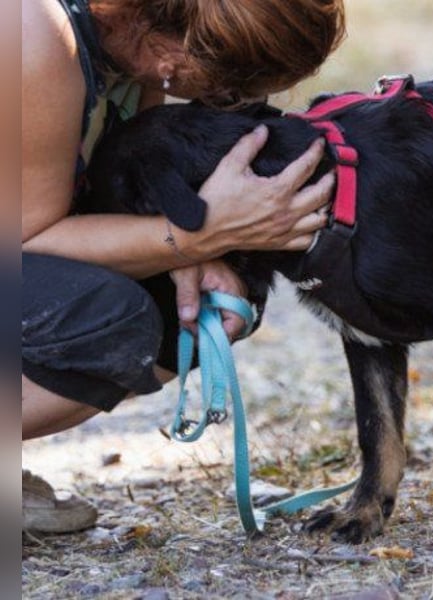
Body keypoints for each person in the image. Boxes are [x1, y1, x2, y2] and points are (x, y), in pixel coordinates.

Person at [22, 0, 345, 533]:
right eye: (233, 92)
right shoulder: (36, 31)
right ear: (181, 54)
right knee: (107, 318)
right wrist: (196, 237)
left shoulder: (131, 42)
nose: (234, 104)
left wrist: (197, 255)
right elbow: (25, 235)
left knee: (207, 306)